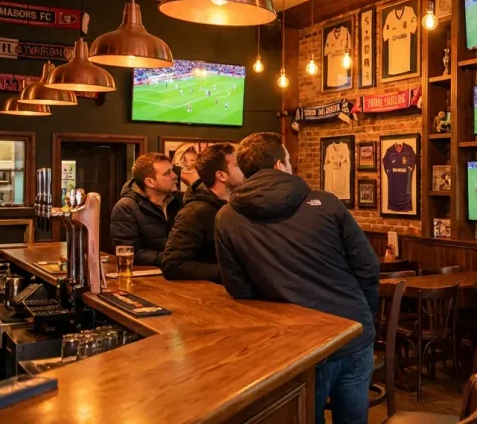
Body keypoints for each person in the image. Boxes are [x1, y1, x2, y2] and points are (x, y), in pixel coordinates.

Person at [215, 133, 378, 424]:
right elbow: (367, 268)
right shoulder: (326, 203)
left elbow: (238, 288)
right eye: (289, 160)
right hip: (351, 329)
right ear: (280, 165)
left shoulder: (227, 217)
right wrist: (361, 316)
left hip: (294, 342)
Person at [162, 144, 244, 282]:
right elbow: (172, 265)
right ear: (221, 175)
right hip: (215, 296)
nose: (244, 168)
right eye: (237, 165)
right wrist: (229, 272)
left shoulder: (238, 204)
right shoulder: (195, 212)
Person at [110, 153, 183, 267]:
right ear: (150, 182)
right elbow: (130, 252)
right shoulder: (126, 207)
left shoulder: (181, 200)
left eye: (172, 170)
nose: (175, 176)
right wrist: (173, 258)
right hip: (150, 277)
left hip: (180, 272)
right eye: (167, 173)